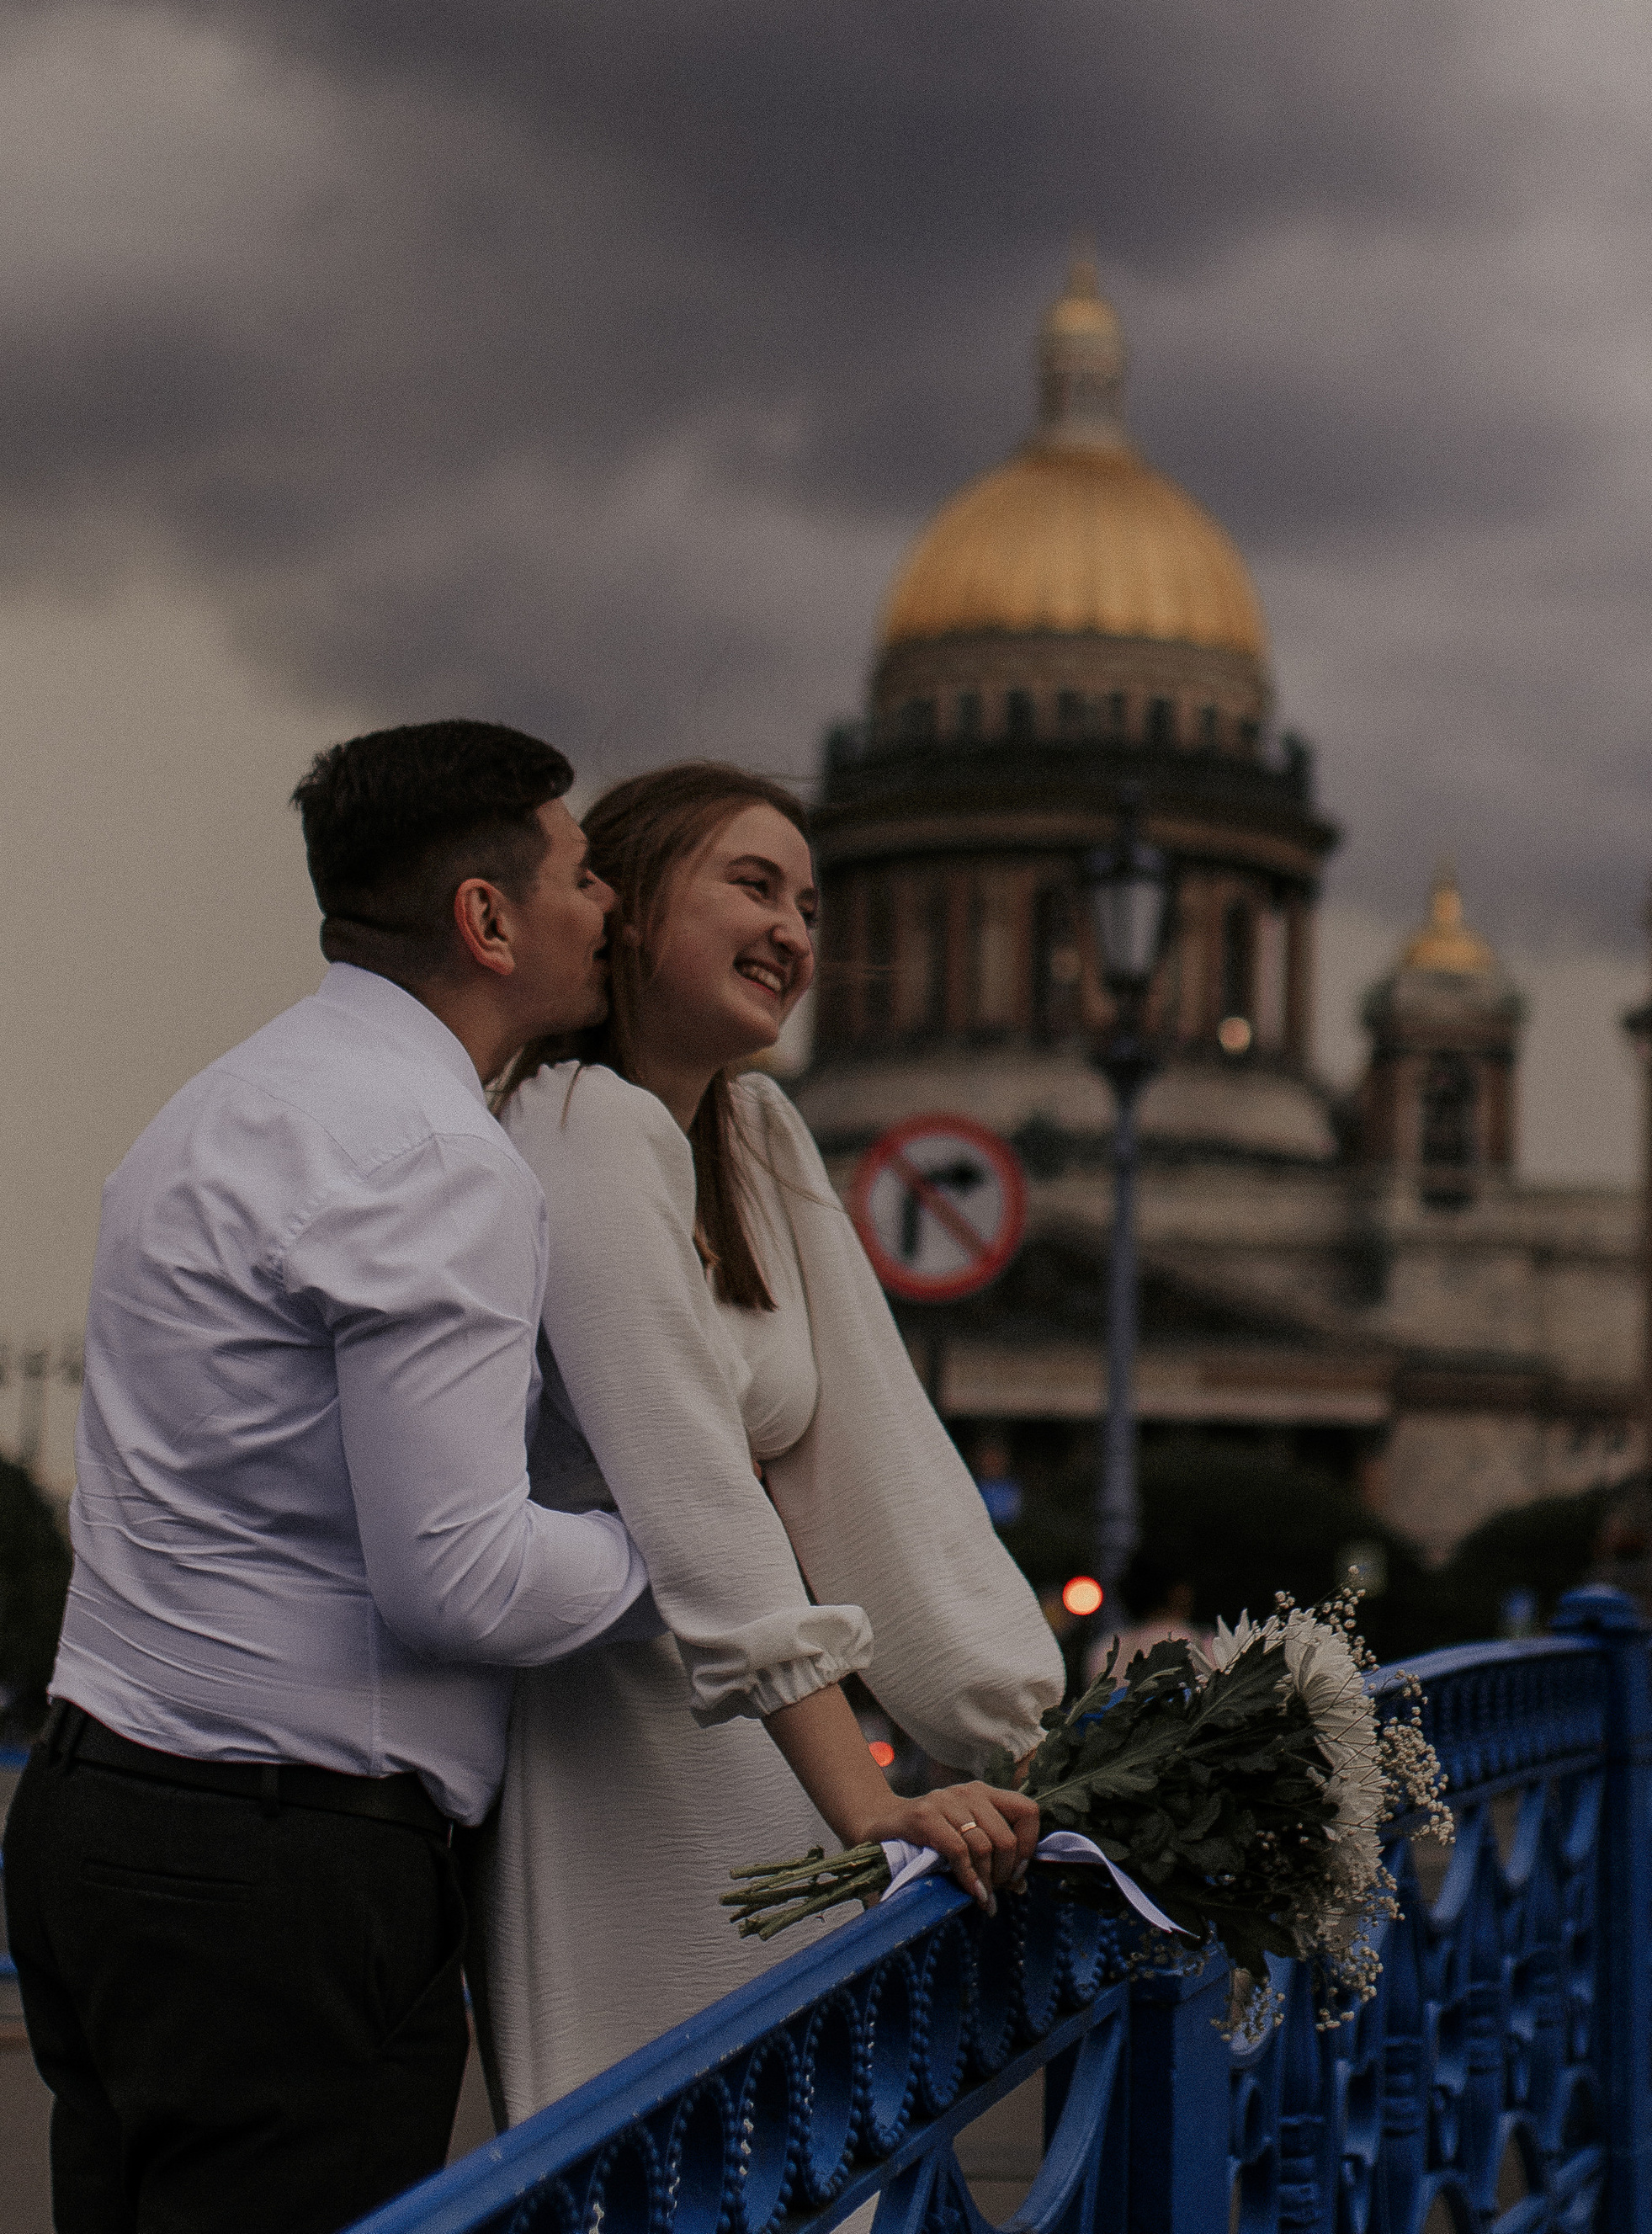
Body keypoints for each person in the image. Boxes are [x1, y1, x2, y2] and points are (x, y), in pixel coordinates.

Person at [3, 721, 658, 2234]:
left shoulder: (212, 1110)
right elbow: (463, 1580)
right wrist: (683, 1560)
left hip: (95, 1810)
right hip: (280, 1870)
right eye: (577, 876)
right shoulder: (433, 1153)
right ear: (485, 921)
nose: (607, 907)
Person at [470, 761, 1058, 2124]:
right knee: (667, 2161)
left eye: (808, 901)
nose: (796, 929)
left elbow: (881, 1469)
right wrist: (870, 1806)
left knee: (794, 2157)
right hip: (615, 1763)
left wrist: (1029, 1735)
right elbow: (692, 1488)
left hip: (771, 1756)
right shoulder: (572, 1119)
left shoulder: (756, 1129)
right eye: (751, 885)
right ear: (624, 905)